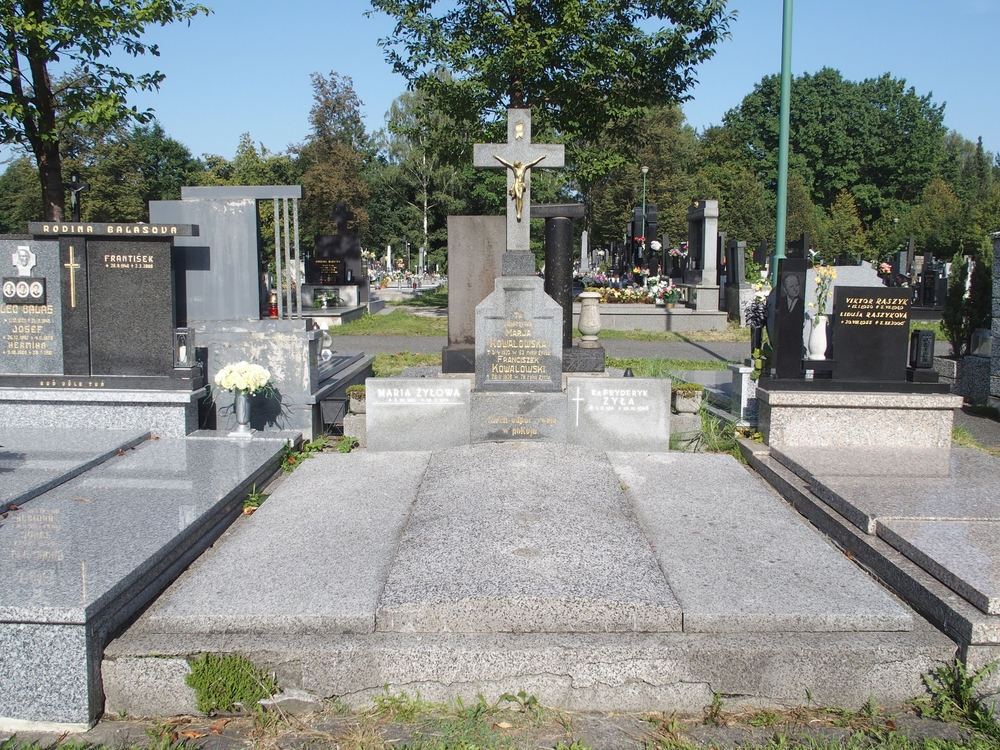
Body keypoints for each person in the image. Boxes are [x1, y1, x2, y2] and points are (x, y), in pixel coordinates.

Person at [492, 153, 547, 220]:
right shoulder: (514, 168)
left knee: (520, 197)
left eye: (517, 165)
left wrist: (541, 157)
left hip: (521, 185)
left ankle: (519, 212)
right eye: (515, 165)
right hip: (516, 184)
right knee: (518, 196)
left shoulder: (524, 167)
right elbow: (505, 162)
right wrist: (497, 157)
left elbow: (533, 162)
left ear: (519, 164)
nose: (516, 166)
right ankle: (518, 212)